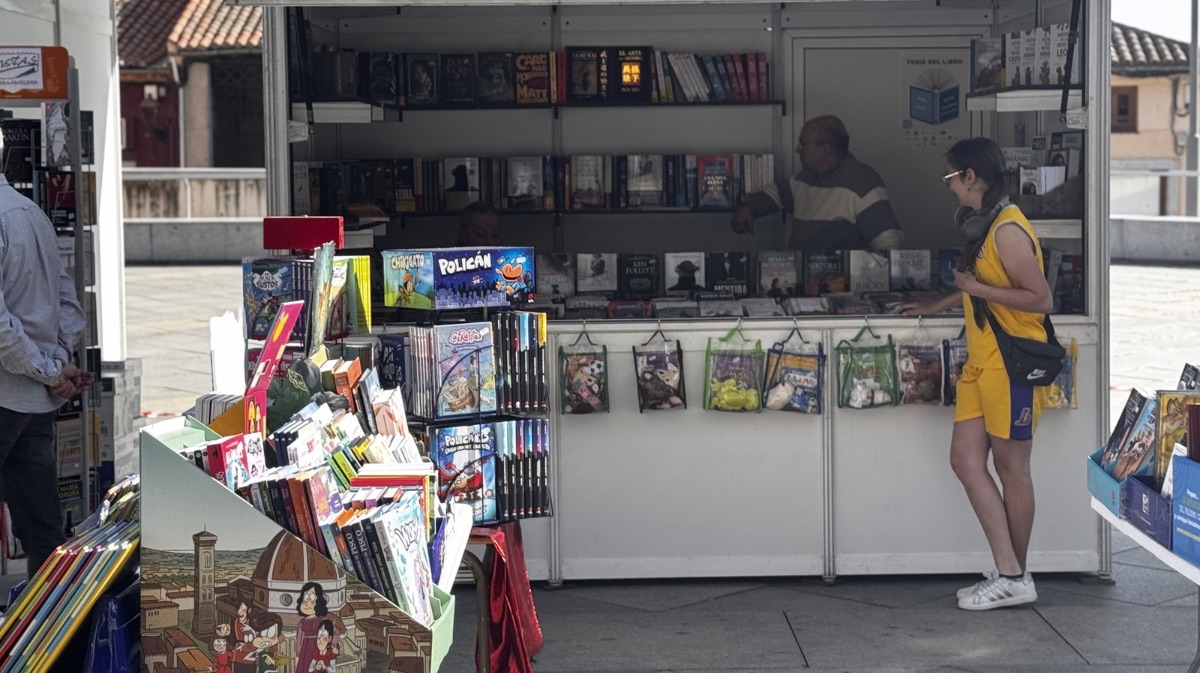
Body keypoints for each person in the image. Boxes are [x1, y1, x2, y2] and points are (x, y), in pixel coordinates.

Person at [900, 137, 1054, 611]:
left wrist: (974, 288)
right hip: (981, 364)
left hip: (1010, 366)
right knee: (965, 461)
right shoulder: (986, 225)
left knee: (1012, 470)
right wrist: (943, 302)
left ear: (970, 177)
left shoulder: (1007, 230)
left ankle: (1014, 576)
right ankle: (1009, 570)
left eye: (950, 177)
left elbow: (1041, 299)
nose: (948, 186)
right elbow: (981, 285)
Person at [0, 164, 93, 578]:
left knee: (41, 531)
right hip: (33, 402)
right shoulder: (31, 213)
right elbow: (67, 304)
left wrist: (48, 370)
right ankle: (49, 617)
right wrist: (53, 366)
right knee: (43, 532)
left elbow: (2, 328)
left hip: (11, 393)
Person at [731, 115, 904, 251]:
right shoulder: (805, 177)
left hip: (839, 283)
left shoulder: (862, 183)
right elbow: (777, 194)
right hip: (803, 279)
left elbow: (889, 245)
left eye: (803, 144)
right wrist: (748, 207)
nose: (798, 150)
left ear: (826, 149)